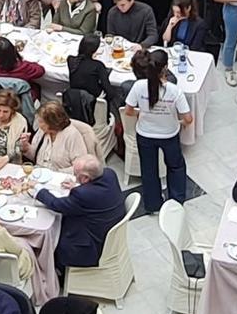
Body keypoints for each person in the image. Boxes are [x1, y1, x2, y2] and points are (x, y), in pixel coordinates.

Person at [125, 50, 193, 212]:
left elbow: (128, 111)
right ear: (166, 68)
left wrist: (142, 112)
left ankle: (152, 204)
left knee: (149, 170)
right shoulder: (174, 91)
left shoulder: (139, 86)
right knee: (175, 166)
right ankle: (176, 203)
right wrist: (181, 122)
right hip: (169, 134)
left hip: (145, 134)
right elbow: (189, 119)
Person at [36, 154, 125, 271]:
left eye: (76, 174)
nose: (74, 176)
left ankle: (56, 270)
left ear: (86, 178)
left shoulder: (83, 195)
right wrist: (79, 186)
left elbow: (57, 205)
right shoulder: (110, 174)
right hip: (108, 234)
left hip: (90, 247)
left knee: (51, 233)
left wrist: (38, 190)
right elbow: (93, 194)